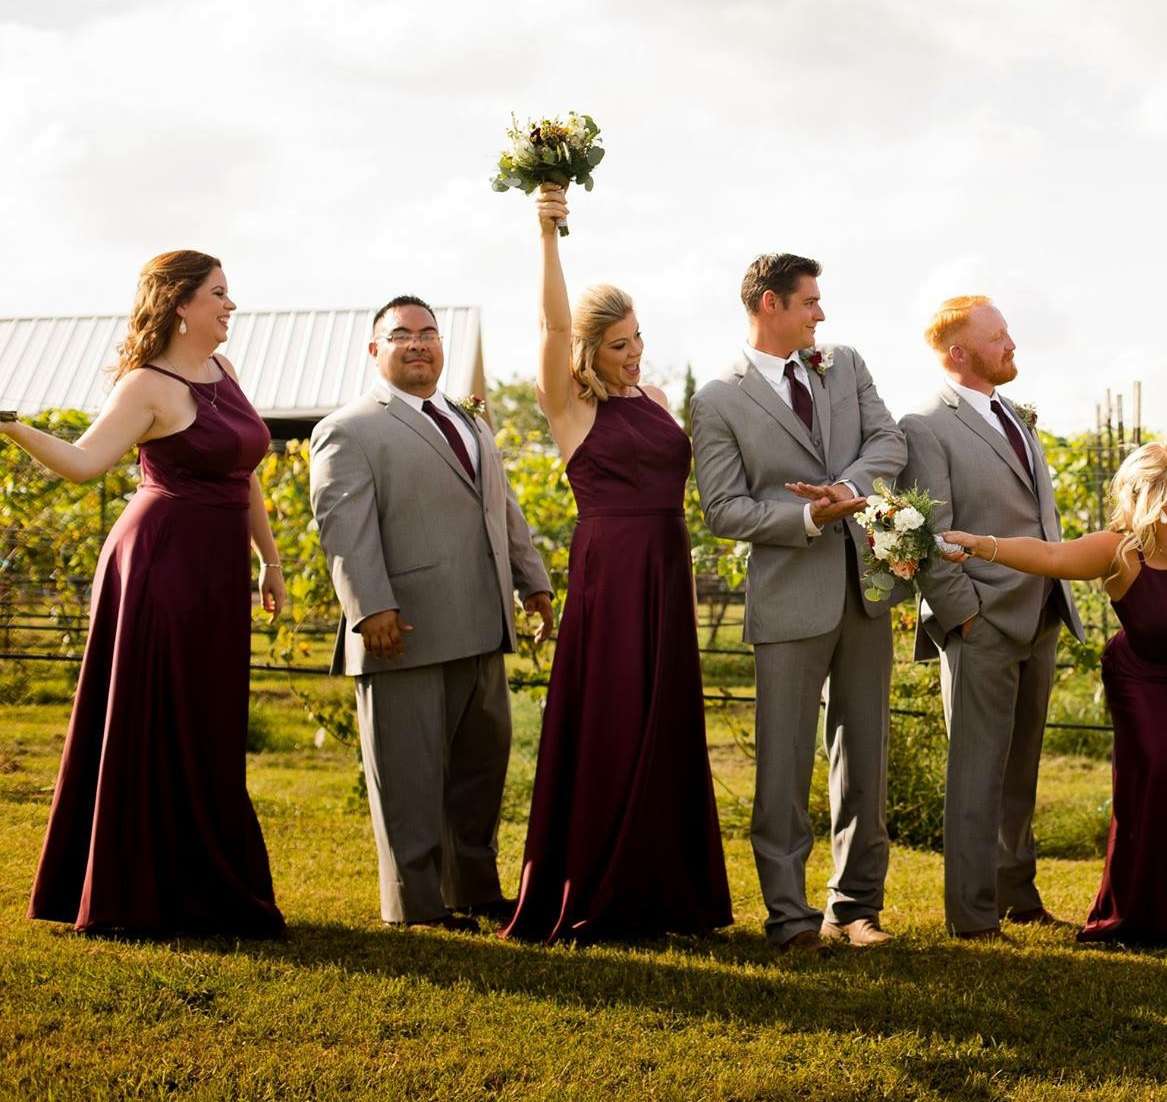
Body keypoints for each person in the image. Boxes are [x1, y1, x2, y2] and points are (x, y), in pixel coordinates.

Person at [7, 250, 285, 936]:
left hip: (218, 569)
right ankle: (138, 882)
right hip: (159, 564)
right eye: (219, 293)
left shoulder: (226, 371)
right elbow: (82, 463)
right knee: (158, 717)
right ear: (181, 303)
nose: (231, 305)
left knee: (208, 719)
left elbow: (245, 470)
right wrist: (9, 424)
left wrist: (269, 558)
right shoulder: (145, 385)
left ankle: (205, 873)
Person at [500, 185, 732, 943]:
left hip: (666, 570)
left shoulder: (659, 398)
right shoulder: (573, 408)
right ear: (589, 352)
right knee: (611, 715)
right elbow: (552, 320)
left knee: (664, 721)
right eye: (619, 344)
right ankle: (602, 880)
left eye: (638, 338)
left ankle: (671, 890)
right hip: (609, 571)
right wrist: (547, 233)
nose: (635, 354)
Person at [941, 439, 1167, 947]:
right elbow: (1052, 556)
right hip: (1144, 680)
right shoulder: (1120, 549)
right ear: (1155, 488)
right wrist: (979, 543)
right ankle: (1150, 906)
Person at [309, 296, 554, 931]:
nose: (418, 345)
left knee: (481, 767)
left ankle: (472, 889)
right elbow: (344, 530)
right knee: (409, 777)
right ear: (375, 350)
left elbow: (500, 507)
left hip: (482, 623)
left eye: (428, 333)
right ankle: (415, 906)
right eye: (401, 336)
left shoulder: (469, 420)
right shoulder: (350, 428)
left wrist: (534, 583)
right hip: (402, 628)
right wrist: (370, 608)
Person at [690, 254, 906, 955]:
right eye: (810, 301)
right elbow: (723, 508)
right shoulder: (717, 400)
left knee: (865, 755)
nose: (821, 314)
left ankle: (856, 907)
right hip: (786, 596)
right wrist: (808, 520)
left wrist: (843, 490)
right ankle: (789, 916)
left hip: (865, 589)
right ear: (770, 305)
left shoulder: (845, 364)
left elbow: (889, 440)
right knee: (783, 764)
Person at [901, 297, 1085, 940]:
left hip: (1041, 613)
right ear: (958, 352)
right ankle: (973, 915)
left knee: (1020, 770)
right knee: (976, 773)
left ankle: (1018, 895)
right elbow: (924, 533)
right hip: (982, 622)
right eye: (998, 337)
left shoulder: (1014, 414)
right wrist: (965, 618)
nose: (1012, 345)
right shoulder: (925, 424)